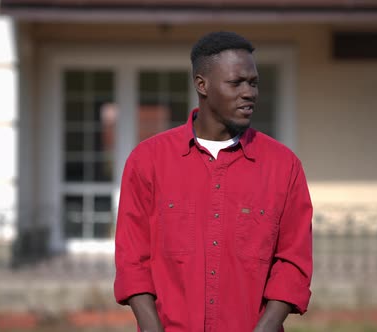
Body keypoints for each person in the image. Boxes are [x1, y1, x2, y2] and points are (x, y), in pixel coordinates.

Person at [114, 31, 313, 332]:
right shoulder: (147, 161)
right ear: (201, 84)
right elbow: (132, 260)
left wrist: (265, 327)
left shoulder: (284, 167)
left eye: (254, 83)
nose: (249, 93)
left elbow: (293, 262)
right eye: (236, 83)